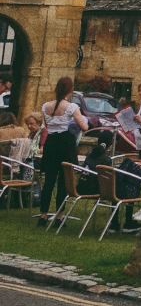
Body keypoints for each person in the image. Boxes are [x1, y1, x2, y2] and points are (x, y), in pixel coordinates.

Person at [38, 77, 89, 225]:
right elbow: (84, 126)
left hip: (51, 142)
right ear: (70, 90)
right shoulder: (71, 107)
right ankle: (59, 217)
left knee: (49, 180)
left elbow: (47, 125)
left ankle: (43, 215)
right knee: (63, 181)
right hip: (66, 143)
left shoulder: (46, 106)